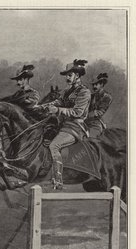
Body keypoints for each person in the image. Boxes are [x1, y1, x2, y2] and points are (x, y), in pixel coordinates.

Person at [46, 59, 91, 190]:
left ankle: (58, 181)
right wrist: (42, 107)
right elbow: (57, 102)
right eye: (66, 75)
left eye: (69, 75)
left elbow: (77, 112)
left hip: (76, 127)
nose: (67, 77)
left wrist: (58, 110)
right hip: (63, 125)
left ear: (77, 75)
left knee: (54, 146)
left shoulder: (84, 92)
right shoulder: (67, 91)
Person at [85, 73, 112, 138]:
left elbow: (99, 112)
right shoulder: (91, 96)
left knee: (90, 139)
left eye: (96, 84)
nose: (94, 87)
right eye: (93, 84)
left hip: (96, 124)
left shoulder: (107, 97)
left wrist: (86, 115)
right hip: (85, 122)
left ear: (102, 84)